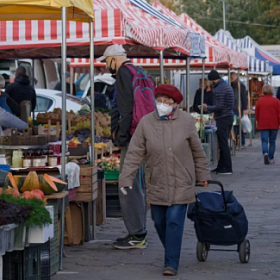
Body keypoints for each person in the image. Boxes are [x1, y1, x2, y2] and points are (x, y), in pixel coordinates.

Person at [119, 84, 210, 276]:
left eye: (167, 101)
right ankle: (171, 250)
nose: (163, 104)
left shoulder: (186, 121)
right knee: (159, 221)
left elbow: (197, 151)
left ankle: (171, 263)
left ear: (175, 104)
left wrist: (202, 175)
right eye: (159, 100)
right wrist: (126, 178)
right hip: (157, 180)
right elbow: (135, 153)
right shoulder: (146, 122)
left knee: (175, 221)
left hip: (182, 181)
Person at [97, 45, 149, 249]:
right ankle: (139, 230)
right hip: (141, 133)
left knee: (127, 184)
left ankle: (137, 234)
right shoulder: (138, 71)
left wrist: (120, 137)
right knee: (137, 184)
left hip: (132, 136)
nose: (106, 66)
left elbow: (126, 110)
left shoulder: (123, 74)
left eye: (106, 62)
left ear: (113, 59)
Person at [203, 70, 234, 175]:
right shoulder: (226, 86)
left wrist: (207, 108)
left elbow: (219, 106)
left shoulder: (220, 89)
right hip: (228, 116)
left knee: (223, 143)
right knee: (222, 142)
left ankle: (227, 167)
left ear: (212, 80)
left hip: (223, 118)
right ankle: (221, 166)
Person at [255, 85, 280, 164]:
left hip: (263, 123)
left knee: (264, 141)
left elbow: (256, 113)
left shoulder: (260, 101)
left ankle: (265, 153)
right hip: (274, 124)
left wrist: (259, 121)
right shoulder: (276, 101)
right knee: (272, 141)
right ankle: (271, 158)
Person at [230, 72, 248, 148]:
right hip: (234, 107)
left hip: (238, 108)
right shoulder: (232, 85)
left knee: (238, 127)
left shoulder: (239, 85)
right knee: (236, 126)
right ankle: (237, 142)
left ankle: (240, 142)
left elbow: (244, 97)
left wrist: (244, 108)